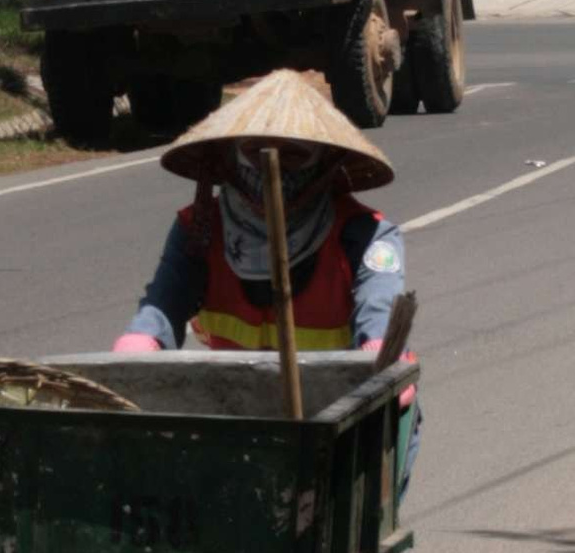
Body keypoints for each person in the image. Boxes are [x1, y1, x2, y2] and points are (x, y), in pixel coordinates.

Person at [114, 67, 418, 468]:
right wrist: (135, 354)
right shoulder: (200, 230)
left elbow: (378, 320)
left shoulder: (368, 236)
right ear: (228, 156)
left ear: (324, 162)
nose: (271, 165)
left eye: (294, 153)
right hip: (237, 417)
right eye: (255, 150)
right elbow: (160, 309)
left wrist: (381, 369)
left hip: (341, 423)